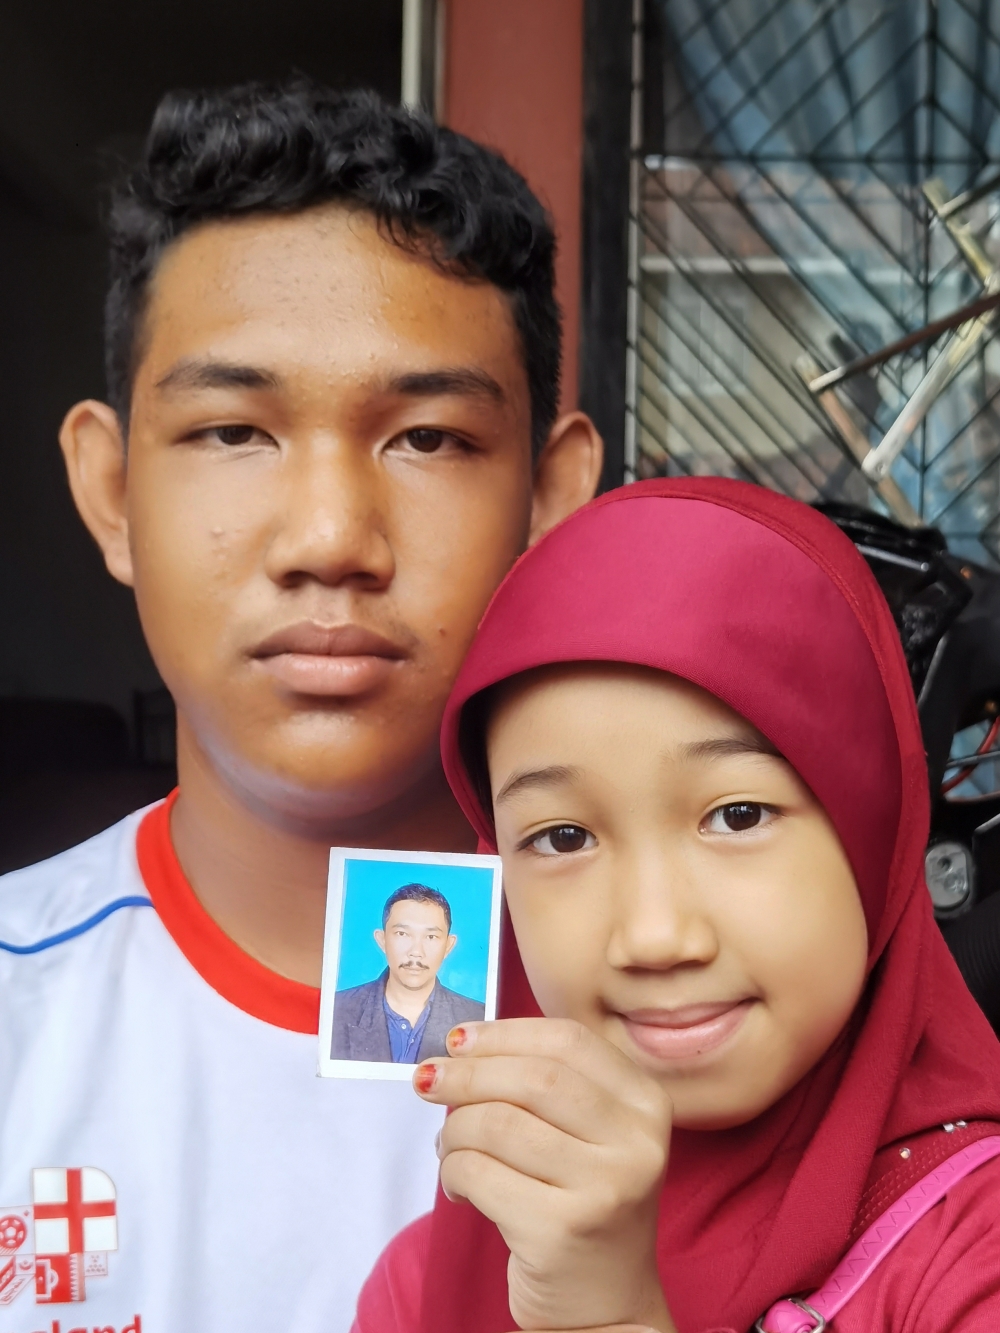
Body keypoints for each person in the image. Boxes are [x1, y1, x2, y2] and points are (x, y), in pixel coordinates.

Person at [0, 80, 601, 1330]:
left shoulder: (685, 1010)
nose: (331, 540)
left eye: (428, 438)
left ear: (548, 500)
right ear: (112, 491)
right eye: (232, 430)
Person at [355, 478, 1000, 1333]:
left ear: (874, 827)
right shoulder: (425, 1282)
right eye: (562, 837)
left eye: (737, 815)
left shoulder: (969, 1260)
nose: (655, 935)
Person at [333, 885, 485, 1063]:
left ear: (448, 946)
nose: (416, 952)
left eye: (431, 937)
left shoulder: (478, 1018)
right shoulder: (337, 1009)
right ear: (382, 940)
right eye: (402, 934)